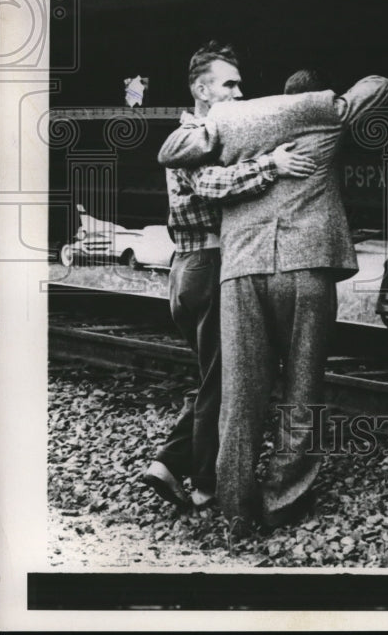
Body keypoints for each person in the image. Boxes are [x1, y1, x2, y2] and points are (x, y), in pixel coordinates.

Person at [157, 69, 388, 532]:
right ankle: (282, 500)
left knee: (241, 393)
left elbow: (171, 151)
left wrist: (216, 130)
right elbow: (378, 85)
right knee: (302, 388)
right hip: (305, 266)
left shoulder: (226, 118)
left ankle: (236, 507)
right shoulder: (321, 110)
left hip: (241, 268)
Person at [142, 42, 316, 511]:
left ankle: (168, 462)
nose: (239, 94)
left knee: (216, 377)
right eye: (229, 84)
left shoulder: (212, 132)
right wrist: (271, 164)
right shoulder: (195, 132)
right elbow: (210, 185)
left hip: (191, 267)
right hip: (208, 265)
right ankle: (204, 482)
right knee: (226, 381)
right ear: (202, 89)